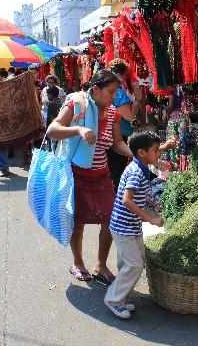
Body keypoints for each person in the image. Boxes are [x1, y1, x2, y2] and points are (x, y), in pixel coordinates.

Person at [47, 70, 133, 284]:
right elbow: (52, 130)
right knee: (78, 222)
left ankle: (100, 265)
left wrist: (138, 154)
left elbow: (117, 143)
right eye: (111, 92)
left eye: (116, 92)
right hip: (76, 174)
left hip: (101, 175)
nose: (114, 97)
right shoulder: (78, 105)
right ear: (95, 89)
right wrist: (77, 129)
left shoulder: (113, 113)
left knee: (110, 220)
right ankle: (78, 262)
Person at [104, 132, 165, 318]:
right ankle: (113, 300)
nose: (158, 154)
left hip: (130, 226)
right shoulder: (136, 171)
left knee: (130, 262)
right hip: (124, 227)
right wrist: (150, 218)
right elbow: (126, 200)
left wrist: (156, 206)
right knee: (135, 264)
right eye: (156, 151)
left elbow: (144, 194)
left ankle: (122, 297)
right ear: (141, 152)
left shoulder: (141, 168)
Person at [107, 59, 143, 190]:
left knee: (112, 171)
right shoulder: (118, 93)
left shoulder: (108, 90)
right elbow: (129, 116)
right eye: (125, 75)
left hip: (108, 135)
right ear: (120, 75)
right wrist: (138, 100)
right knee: (117, 172)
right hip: (118, 136)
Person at [40, 86, 62, 151]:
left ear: (51, 94)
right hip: (59, 129)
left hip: (53, 130)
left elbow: (50, 119)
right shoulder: (60, 103)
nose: (47, 96)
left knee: (52, 150)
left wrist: (46, 131)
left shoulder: (51, 104)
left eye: (47, 94)